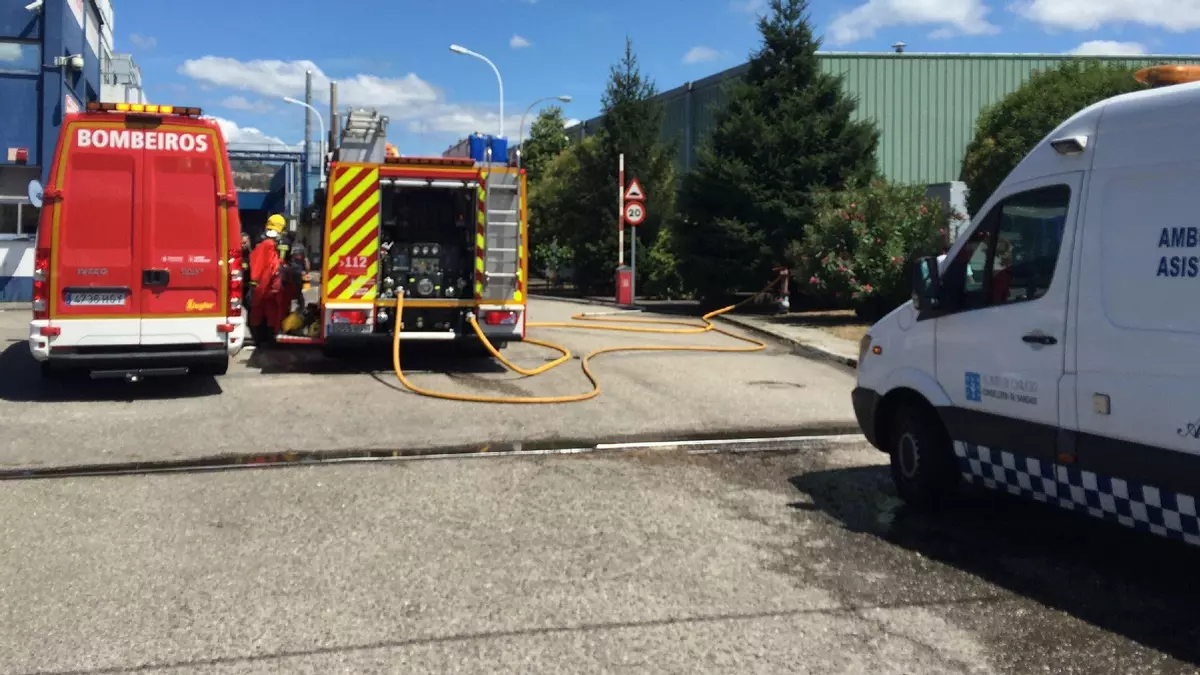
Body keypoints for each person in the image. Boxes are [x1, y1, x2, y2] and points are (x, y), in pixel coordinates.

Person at [249, 215, 287, 345]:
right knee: (267, 314)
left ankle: (263, 338)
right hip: (266, 289)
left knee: (261, 314)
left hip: (263, 289)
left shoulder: (263, 246)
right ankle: (266, 339)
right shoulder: (269, 246)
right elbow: (270, 269)